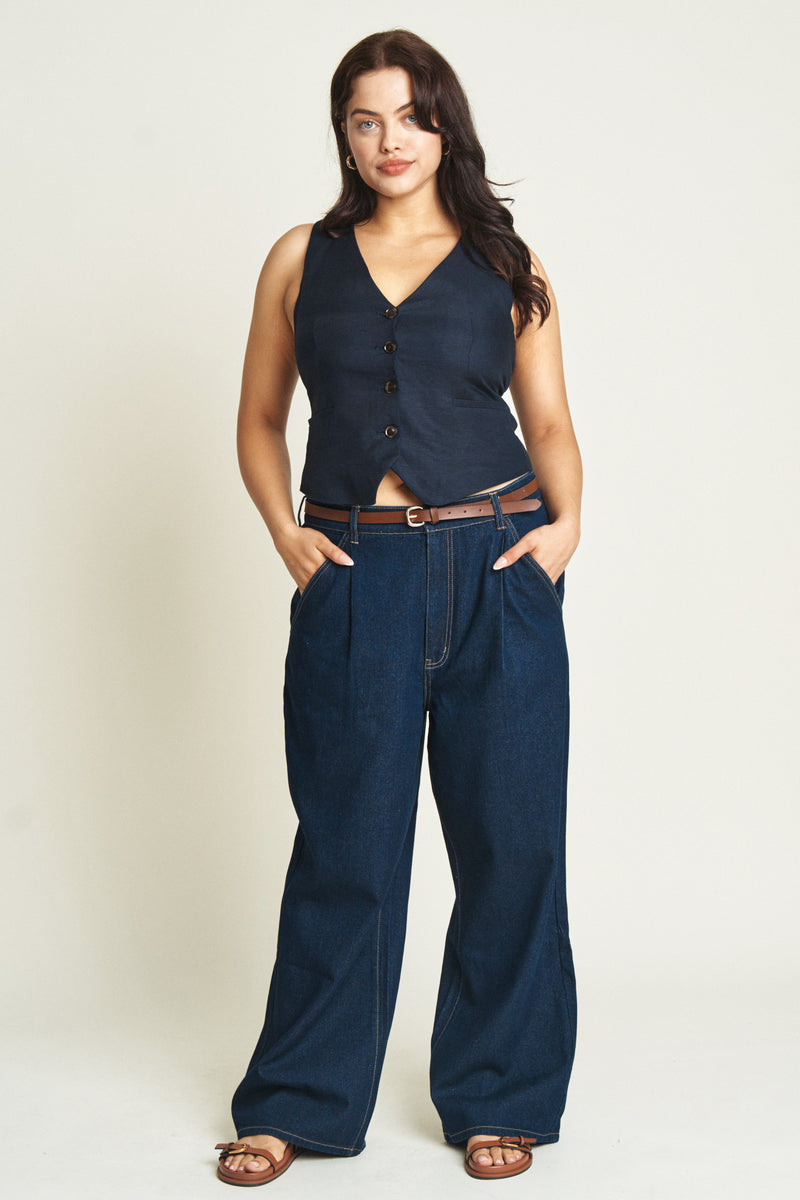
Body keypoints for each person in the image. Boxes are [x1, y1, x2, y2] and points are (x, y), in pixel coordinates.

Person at [215, 28, 583, 1187]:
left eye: (411, 117)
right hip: (355, 577)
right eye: (365, 119)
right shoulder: (297, 258)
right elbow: (260, 419)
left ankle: (498, 1096)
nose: (389, 141)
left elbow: (553, 420)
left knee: (509, 845)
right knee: (345, 851)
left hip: (496, 567)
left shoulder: (504, 263)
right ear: (342, 131)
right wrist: (287, 532)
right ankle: (300, 1103)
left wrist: (562, 531)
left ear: (444, 127)